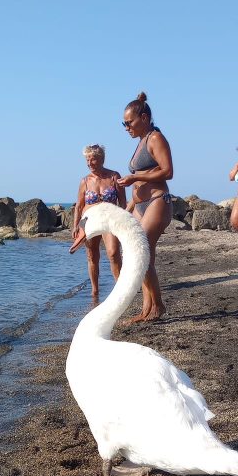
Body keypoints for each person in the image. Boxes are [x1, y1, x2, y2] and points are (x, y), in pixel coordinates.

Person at [116, 91, 174, 322]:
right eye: (124, 123)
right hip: (140, 206)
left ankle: (158, 306)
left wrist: (134, 178)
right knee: (136, 255)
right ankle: (146, 307)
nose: (126, 127)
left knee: (141, 256)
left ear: (145, 117)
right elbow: (142, 178)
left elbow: (168, 171)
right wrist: (129, 207)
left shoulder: (155, 138)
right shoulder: (142, 141)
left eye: (129, 122)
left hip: (158, 202)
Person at [73, 144, 127, 298]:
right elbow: (79, 206)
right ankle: (95, 290)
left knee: (113, 252)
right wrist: (76, 226)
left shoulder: (114, 176)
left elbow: (123, 201)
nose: (89, 163)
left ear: (102, 159)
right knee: (92, 255)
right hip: (89, 221)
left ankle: (120, 287)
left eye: (93, 159)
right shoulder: (85, 181)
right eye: (87, 160)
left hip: (109, 219)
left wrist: (123, 219)